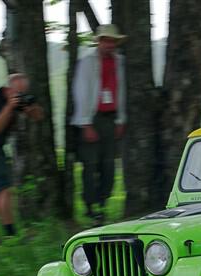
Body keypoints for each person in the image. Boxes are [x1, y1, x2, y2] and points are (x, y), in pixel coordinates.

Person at [0, 73, 44, 243]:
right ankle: (11, 235)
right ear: (9, 88)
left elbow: (39, 117)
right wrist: (9, 107)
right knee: (5, 189)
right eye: (18, 92)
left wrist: (31, 107)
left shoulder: (15, 100)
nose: (19, 96)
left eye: (23, 93)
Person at [71, 24, 127, 222]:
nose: (109, 44)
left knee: (108, 165)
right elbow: (81, 91)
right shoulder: (87, 62)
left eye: (112, 41)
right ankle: (90, 204)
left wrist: (121, 119)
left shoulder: (120, 63)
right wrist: (86, 123)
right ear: (99, 42)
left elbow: (122, 91)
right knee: (90, 164)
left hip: (111, 118)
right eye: (105, 40)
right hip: (92, 117)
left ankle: (102, 204)